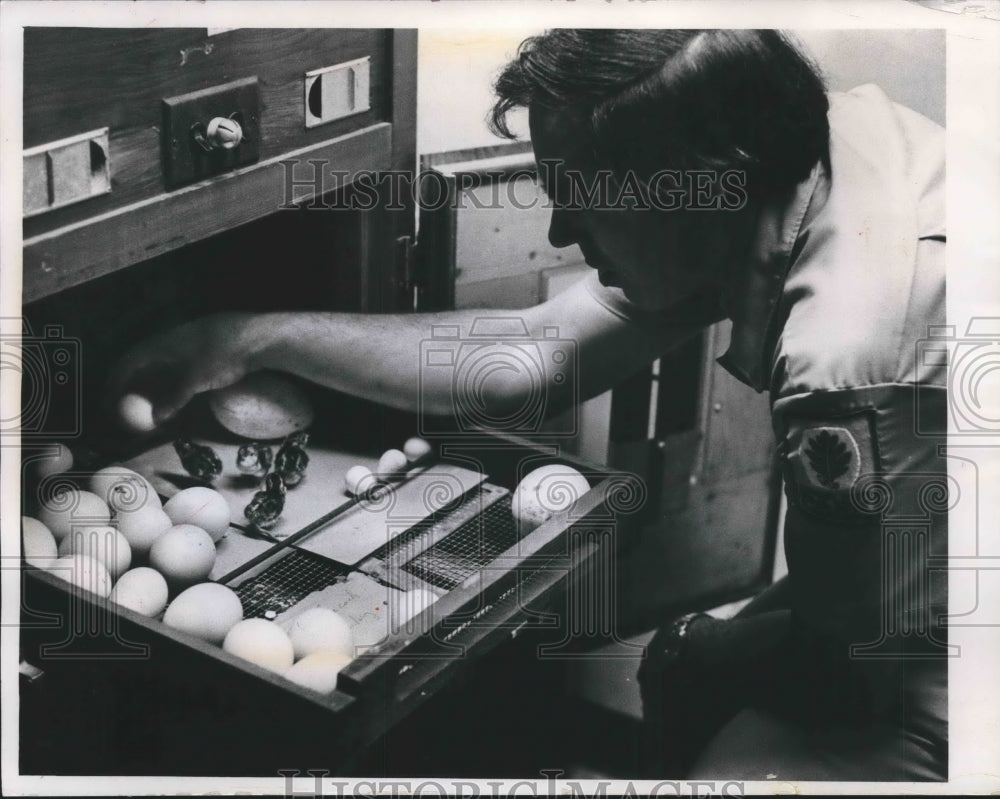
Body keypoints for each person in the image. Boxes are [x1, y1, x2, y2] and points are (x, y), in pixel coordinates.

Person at [112, 30, 947, 780]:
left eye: (581, 196)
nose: (556, 232)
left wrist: (700, 650)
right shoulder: (791, 144)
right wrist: (250, 338)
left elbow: (851, 665)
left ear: (706, 185)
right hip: (918, 562)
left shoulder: (852, 361)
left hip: (943, 667)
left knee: (713, 718)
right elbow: (538, 352)